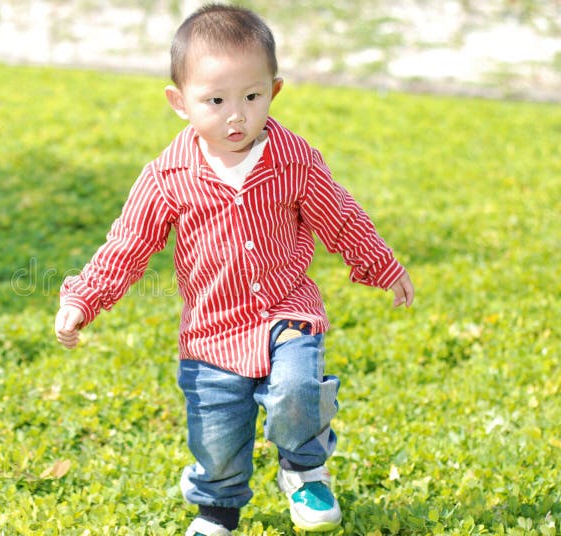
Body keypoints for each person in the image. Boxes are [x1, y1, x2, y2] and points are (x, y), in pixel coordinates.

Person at [54, 4, 414, 534]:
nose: (236, 115)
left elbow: (339, 214)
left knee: (295, 389)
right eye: (215, 101)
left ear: (276, 89)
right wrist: (83, 297)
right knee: (217, 435)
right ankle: (217, 510)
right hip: (212, 330)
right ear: (180, 102)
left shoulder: (296, 162)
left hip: (286, 310)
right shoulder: (166, 176)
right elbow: (128, 244)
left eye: (252, 96)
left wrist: (380, 263)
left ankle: (304, 470)